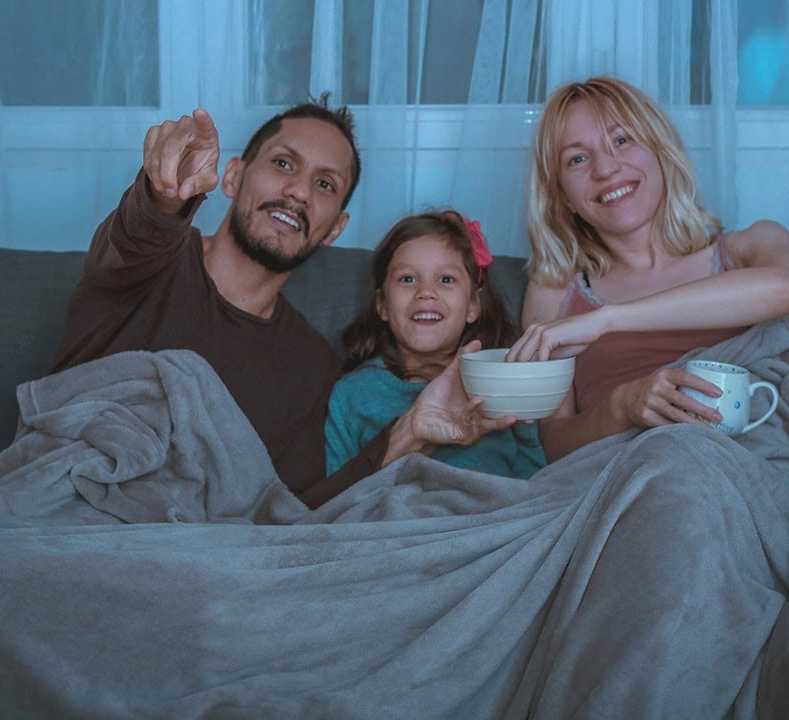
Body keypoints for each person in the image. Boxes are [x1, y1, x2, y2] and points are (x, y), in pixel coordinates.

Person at [51, 95, 515, 508]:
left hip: (183, 555)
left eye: (325, 185)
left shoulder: (313, 369)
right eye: (283, 164)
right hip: (55, 499)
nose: (299, 192)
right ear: (233, 176)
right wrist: (162, 194)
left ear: (335, 229)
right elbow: (138, 233)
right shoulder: (146, 263)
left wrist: (411, 430)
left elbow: (298, 517)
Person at [506, 76, 789, 461]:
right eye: (577, 159)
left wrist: (606, 321)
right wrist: (621, 406)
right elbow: (554, 446)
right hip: (623, 476)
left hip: (743, 467)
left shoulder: (750, 247)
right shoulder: (554, 293)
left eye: (622, 140)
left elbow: (786, 290)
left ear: (659, 151)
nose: (606, 169)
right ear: (563, 197)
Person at [325, 210, 545, 479]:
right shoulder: (352, 394)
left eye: (446, 279)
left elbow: (535, 481)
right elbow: (336, 493)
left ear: (473, 305)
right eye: (407, 279)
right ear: (381, 305)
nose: (426, 292)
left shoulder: (498, 383)